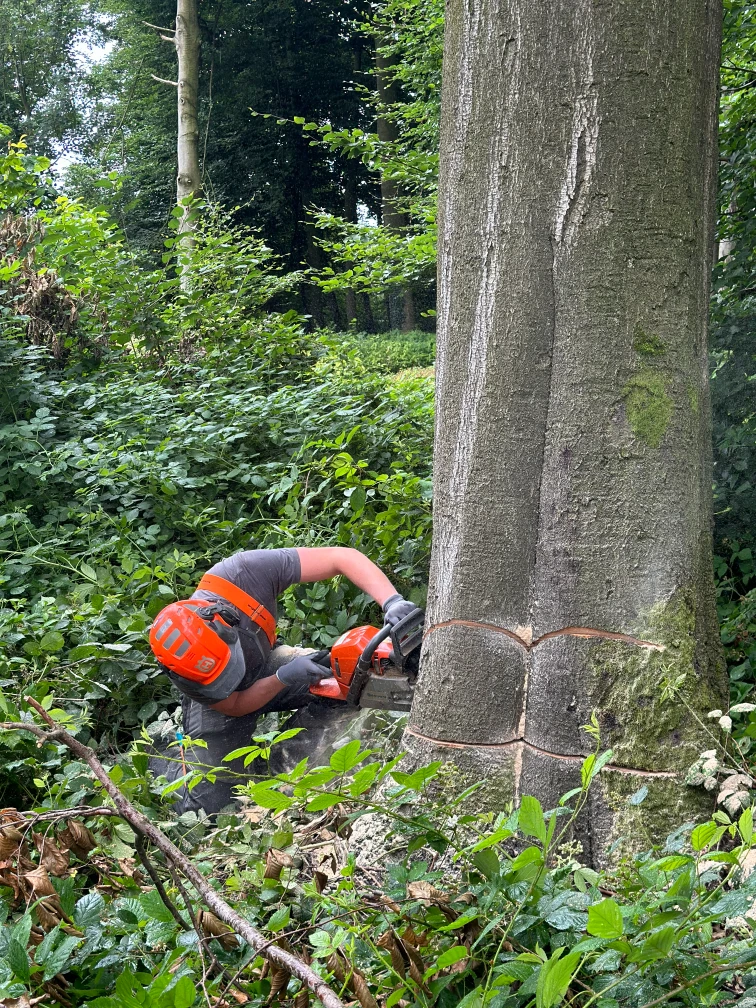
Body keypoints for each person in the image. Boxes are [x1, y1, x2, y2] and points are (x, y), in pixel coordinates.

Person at [148, 546, 416, 814]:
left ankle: (289, 758)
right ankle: (167, 761)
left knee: (347, 673)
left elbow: (341, 557)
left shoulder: (241, 575)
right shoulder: (186, 670)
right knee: (211, 807)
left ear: (225, 622)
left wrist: (391, 600)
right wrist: (282, 678)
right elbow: (236, 704)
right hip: (225, 703)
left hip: (262, 664)